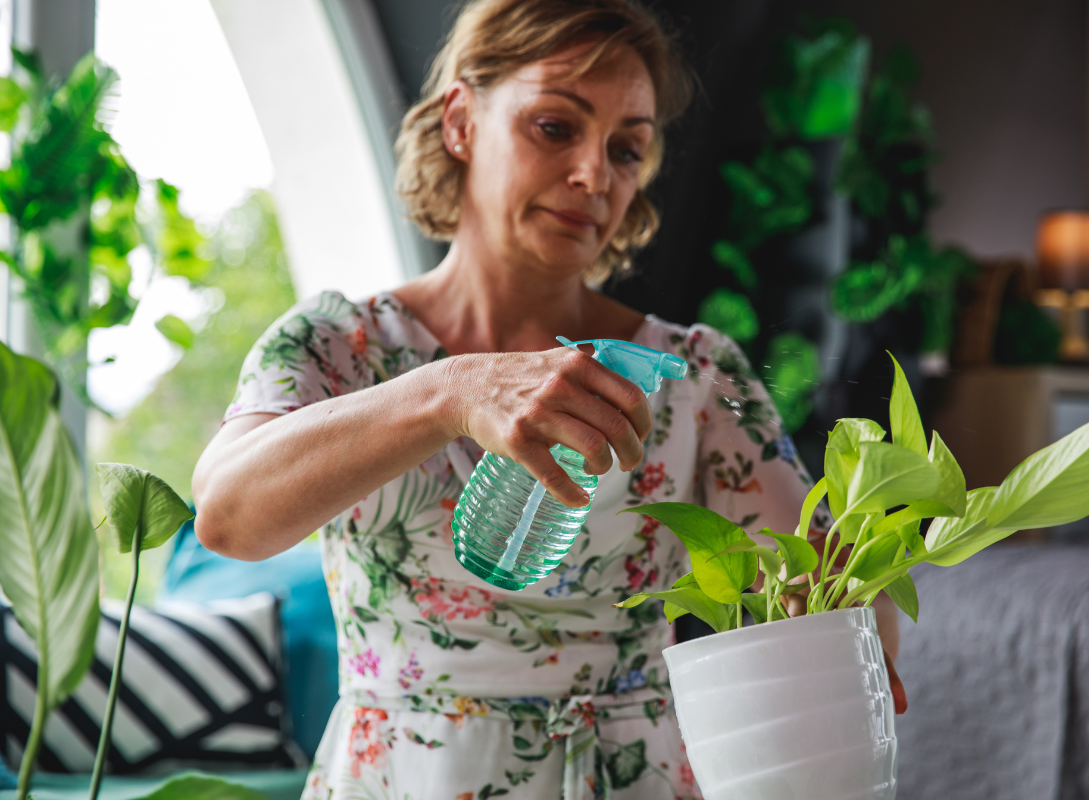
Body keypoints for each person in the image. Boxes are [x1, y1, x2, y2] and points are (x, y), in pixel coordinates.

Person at [193, 1, 902, 797]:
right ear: (460, 120)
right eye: (556, 128)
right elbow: (227, 514)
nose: (596, 177)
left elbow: (816, 595)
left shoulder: (694, 377)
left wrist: (859, 622)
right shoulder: (340, 348)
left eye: (627, 149)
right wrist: (448, 392)